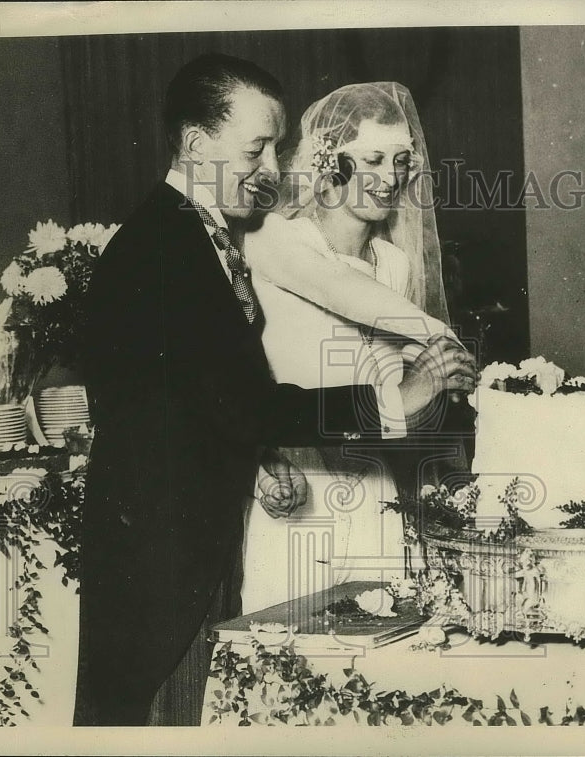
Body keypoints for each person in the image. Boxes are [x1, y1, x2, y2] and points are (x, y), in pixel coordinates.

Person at [75, 55, 476, 727]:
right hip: (163, 558)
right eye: (255, 148)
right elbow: (246, 404)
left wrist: (262, 455)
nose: (269, 168)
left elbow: (212, 397)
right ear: (196, 143)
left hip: (186, 544)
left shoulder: (188, 234)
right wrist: (393, 401)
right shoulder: (165, 247)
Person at [238, 82, 468, 615]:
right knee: (288, 653)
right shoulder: (275, 239)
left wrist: (439, 385)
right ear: (327, 160)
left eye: (401, 161)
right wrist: (442, 339)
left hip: (378, 490)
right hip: (299, 490)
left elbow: (407, 401)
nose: (391, 178)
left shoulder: (396, 265)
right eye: (373, 159)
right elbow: (340, 288)